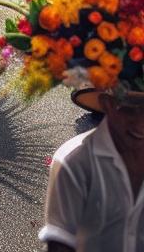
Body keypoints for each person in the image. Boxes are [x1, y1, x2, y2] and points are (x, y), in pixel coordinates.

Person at [40, 87, 144, 251]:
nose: (140, 121)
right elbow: (61, 242)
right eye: (129, 107)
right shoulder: (74, 160)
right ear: (107, 103)